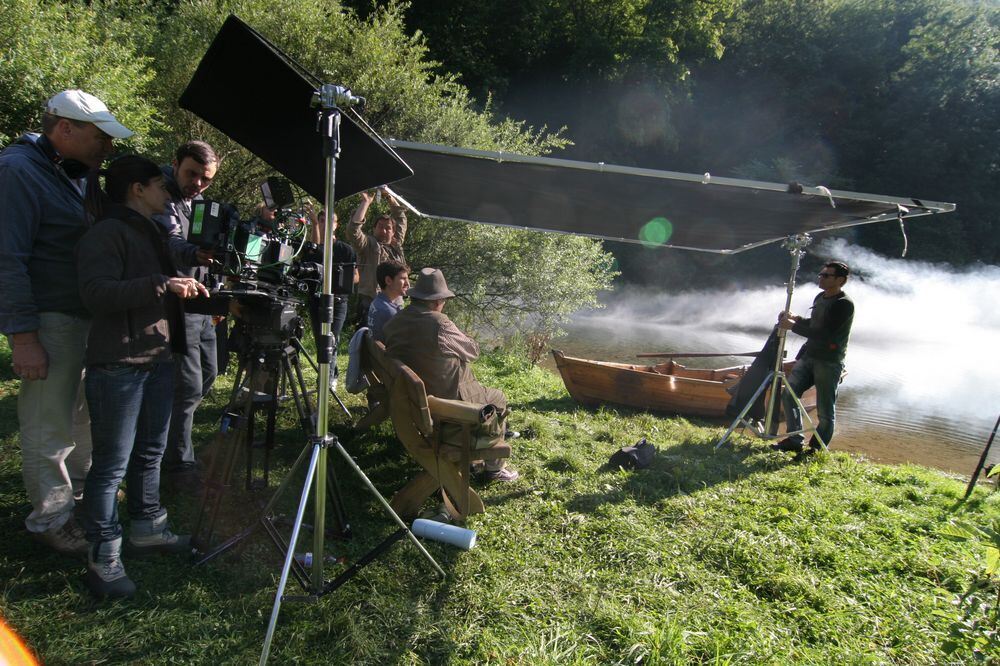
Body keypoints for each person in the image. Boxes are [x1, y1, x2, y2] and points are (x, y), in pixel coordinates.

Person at [0, 90, 132, 556]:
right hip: (48, 318)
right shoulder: (18, 172)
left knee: (78, 414)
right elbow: (7, 259)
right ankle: (51, 518)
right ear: (65, 128)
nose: (106, 148)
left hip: (79, 317)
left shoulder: (67, 173)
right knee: (48, 422)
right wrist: (23, 338)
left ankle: (75, 495)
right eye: (100, 137)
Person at [77, 155, 207, 598]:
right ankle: (104, 555)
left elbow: (167, 277)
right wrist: (162, 283)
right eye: (159, 185)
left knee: (150, 450)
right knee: (111, 463)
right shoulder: (106, 232)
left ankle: (148, 527)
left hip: (156, 358)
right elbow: (96, 294)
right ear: (137, 189)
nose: (167, 193)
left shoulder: (152, 231)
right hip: (118, 363)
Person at [383, 268, 518, 482]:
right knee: (498, 398)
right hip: (445, 405)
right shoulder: (440, 324)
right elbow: (472, 351)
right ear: (437, 301)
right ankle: (493, 468)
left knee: (488, 395)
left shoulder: (396, 321)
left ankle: (483, 459)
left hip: (414, 404)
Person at [152, 141, 220, 489]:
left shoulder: (195, 202)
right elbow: (172, 243)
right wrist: (200, 254)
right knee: (188, 387)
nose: (197, 183)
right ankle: (178, 465)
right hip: (174, 305)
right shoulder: (160, 195)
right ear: (175, 163)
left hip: (200, 304)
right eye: (192, 174)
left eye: (205, 179)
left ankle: (165, 445)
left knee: (209, 373)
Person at [773, 261, 855, 454]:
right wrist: (797, 319)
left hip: (829, 361)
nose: (821, 277)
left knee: (825, 409)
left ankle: (817, 449)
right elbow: (815, 323)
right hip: (810, 356)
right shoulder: (820, 297)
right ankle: (795, 439)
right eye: (821, 274)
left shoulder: (844, 304)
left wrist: (792, 327)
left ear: (840, 280)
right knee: (789, 394)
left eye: (826, 275)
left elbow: (826, 334)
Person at [305, 205, 358, 384]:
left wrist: (342, 276)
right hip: (316, 300)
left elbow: (356, 277)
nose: (325, 224)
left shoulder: (346, 250)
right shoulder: (311, 247)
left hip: (338, 301)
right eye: (321, 220)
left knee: (331, 339)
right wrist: (312, 225)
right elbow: (315, 255)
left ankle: (327, 382)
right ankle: (330, 373)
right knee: (321, 340)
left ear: (336, 225)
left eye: (330, 221)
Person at [349, 188, 406, 326]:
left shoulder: (395, 244)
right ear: (374, 229)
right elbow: (353, 231)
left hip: (396, 302)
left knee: (393, 340)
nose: (384, 230)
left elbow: (400, 217)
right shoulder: (367, 244)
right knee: (369, 341)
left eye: (388, 228)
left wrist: (388, 196)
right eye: (380, 226)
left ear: (393, 232)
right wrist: (366, 202)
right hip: (371, 301)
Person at [367, 260, 409, 343]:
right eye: (403, 279)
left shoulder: (377, 302)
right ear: (388, 281)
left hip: (378, 353)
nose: (407, 283)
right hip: (389, 354)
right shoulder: (389, 311)